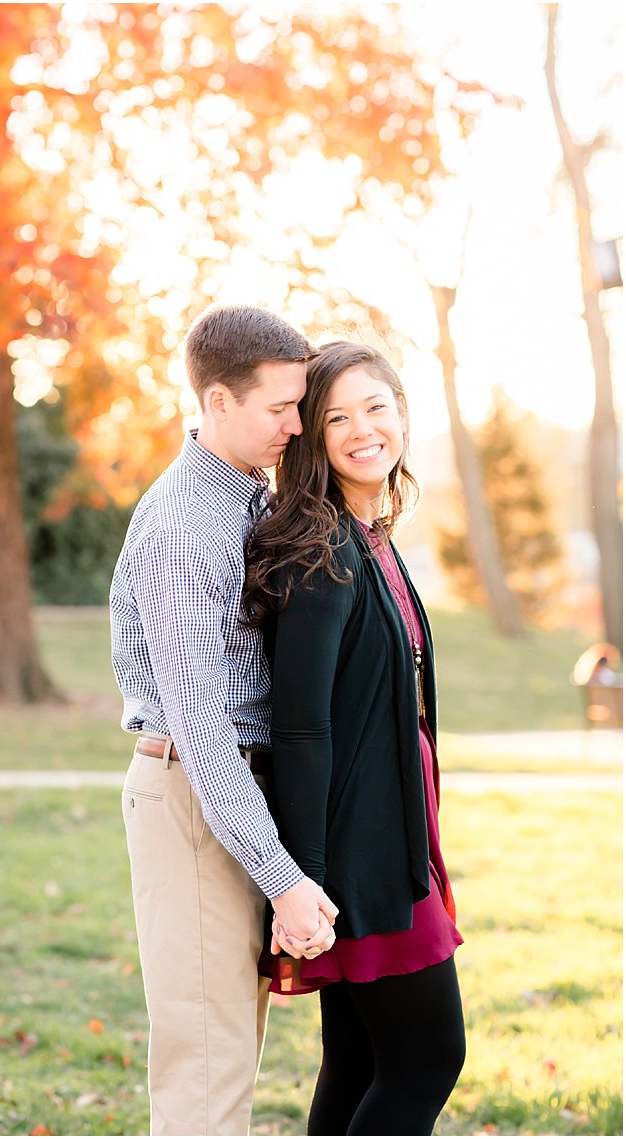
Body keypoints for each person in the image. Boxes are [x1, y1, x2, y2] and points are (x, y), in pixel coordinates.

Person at [109, 304, 338, 1135]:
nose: (297, 423)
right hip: (194, 795)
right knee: (206, 1072)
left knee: (229, 1052)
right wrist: (286, 880)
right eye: (281, 406)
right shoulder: (180, 529)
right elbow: (205, 735)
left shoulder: (245, 501)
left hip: (235, 798)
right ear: (217, 401)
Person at [242, 340, 465, 1134]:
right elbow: (300, 725)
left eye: (376, 406)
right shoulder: (323, 549)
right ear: (311, 437)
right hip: (360, 855)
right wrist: (303, 879)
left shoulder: (368, 536)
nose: (361, 428)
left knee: (363, 1059)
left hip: (390, 832)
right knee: (428, 1059)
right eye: (336, 416)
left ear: (403, 412)